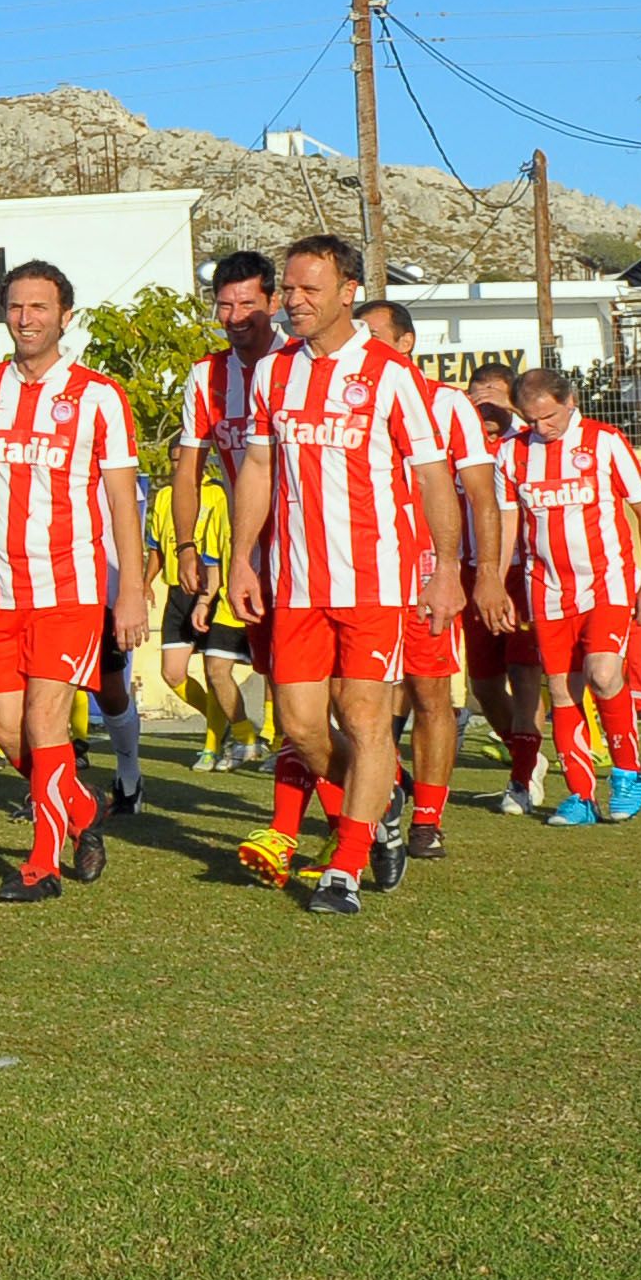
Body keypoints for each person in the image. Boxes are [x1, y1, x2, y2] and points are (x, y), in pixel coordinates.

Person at [225, 236, 468, 913]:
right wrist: (244, 557)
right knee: (302, 728)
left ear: (348, 292)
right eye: (289, 289)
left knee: (364, 719)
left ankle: (348, 864)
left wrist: (445, 571)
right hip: (296, 584)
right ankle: (383, 801)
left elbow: (433, 480)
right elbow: (258, 468)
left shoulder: (391, 374)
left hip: (376, 584)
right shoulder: (274, 373)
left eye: (309, 290)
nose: (294, 302)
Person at [0, 262, 143, 903]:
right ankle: (81, 811)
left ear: (64, 317)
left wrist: (129, 588)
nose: (27, 319)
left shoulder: (98, 395)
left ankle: (41, 866)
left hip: (69, 590)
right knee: (8, 730)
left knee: (47, 721)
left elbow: (121, 502)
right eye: (17, 307)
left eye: (40, 308)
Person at [362, 301, 510, 860]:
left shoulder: (447, 404)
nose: (363, 343)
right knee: (354, 697)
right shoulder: (344, 394)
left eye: (375, 334)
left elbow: (480, 493)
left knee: (429, 691)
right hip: (362, 572)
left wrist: (487, 573)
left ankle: (427, 817)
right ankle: (386, 790)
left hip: (426, 572)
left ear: (406, 344)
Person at [495, 369, 641, 827]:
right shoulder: (512, 454)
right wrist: (495, 580)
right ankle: (580, 795)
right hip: (546, 587)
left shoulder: (607, 442)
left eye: (548, 416)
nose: (541, 427)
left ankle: (628, 771)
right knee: (561, 690)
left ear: (570, 400)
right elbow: (508, 524)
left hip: (607, 581)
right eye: (531, 419)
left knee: (604, 673)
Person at [174, 250, 281, 781]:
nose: (235, 317)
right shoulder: (206, 376)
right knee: (273, 671)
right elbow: (188, 467)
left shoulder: (298, 362)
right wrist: (186, 544)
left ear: (273, 303)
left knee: (311, 684)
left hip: (308, 546)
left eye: (247, 304)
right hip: (248, 554)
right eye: (224, 305)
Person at [458, 364, 547, 813]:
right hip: (471, 572)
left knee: (525, 672)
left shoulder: (527, 445)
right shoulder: (456, 442)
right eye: (478, 393)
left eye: (496, 393)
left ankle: (523, 775)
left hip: (522, 572)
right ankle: (526, 756)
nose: (486, 402)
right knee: (484, 683)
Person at [149, 462, 245, 772]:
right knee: (173, 674)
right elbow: (156, 548)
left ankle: (212, 745)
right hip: (177, 592)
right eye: (174, 461)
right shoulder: (165, 496)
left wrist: (210, 595)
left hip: (209, 590)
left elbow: (217, 550)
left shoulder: (217, 494)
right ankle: (227, 723)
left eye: (183, 460)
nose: (178, 465)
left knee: (213, 670)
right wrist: (143, 582)